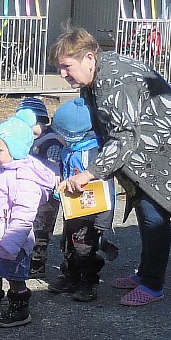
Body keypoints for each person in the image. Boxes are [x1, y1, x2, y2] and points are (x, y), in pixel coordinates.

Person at [50, 24, 171, 307]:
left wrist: (91, 173)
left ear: (89, 58)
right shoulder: (98, 75)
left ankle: (153, 285)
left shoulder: (114, 81)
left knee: (154, 213)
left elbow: (123, 137)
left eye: (66, 66)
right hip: (156, 144)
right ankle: (145, 273)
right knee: (146, 208)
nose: (62, 74)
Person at [0, 110, 57, 329]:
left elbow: (23, 216)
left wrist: (11, 244)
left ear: (16, 150)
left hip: (11, 242)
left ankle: (19, 309)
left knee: (15, 278)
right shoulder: (0, 171)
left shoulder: (24, 179)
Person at [46, 98, 114, 303]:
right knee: (68, 243)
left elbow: (106, 189)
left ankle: (88, 281)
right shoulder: (71, 149)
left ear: (72, 136)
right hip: (73, 208)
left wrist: (103, 222)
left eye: (60, 134)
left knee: (85, 246)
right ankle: (71, 275)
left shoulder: (93, 157)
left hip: (90, 213)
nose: (56, 137)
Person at [13, 96, 65, 278]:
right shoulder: (27, 140)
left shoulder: (51, 141)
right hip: (30, 191)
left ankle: (37, 263)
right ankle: (26, 258)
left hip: (48, 195)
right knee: (28, 225)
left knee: (41, 228)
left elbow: (54, 168)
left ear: (40, 121)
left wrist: (53, 177)